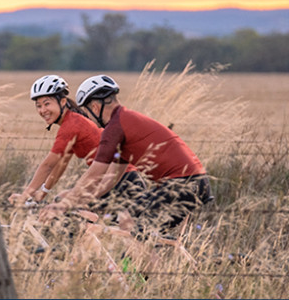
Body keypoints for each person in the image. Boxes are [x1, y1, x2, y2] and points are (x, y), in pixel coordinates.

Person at [39, 74, 213, 237]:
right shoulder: (125, 121)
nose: (88, 117)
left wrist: (63, 205)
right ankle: (148, 264)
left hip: (181, 184)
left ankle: (138, 269)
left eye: (87, 111)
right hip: (193, 183)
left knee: (133, 229)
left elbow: (95, 172)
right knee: (131, 223)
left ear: (95, 107)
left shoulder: (115, 128)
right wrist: (85, 199)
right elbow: (111, 178)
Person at [7, 75, 132, 206]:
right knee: (62, 201)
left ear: (62, 102)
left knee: (68, 208)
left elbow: (47, 165)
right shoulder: (73, 120)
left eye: (47, 104)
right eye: (38, 106)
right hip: (115, 177)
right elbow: (61, 163)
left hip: (120, 179)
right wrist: (42, 192)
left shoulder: (71, 125)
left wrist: (25, 196)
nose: (43, 110)